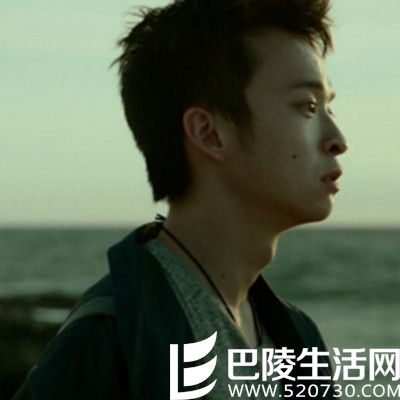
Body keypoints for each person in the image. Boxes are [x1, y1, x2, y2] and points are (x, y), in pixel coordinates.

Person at [14, 0, 348, 398]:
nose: (338, 140)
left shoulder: (297, 340)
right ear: (209, 132)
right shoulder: (107, 344)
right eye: (307, 107)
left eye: (328, 107)